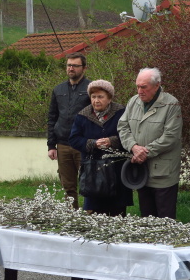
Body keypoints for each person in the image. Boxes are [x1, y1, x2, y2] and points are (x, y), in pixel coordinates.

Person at [118, 67, 182, 219]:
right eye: (138, 86)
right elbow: (122, 126)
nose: (139, 91)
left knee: (165, 220)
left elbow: (171, 136)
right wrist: (133, 147)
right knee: (146, 219)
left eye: (144, 87)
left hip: (163, 174)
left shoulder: (171, 104)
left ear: (157, 85)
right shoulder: (133, 101)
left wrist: (144, 152)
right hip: (141, 171)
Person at [69, 80, 133, 216]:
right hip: (93, 172)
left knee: (117, 214)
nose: (96, 100)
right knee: (95, 216)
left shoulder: (121, 113)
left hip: (117, 171)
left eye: (100, 97)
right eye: (93, 97)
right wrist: (92, 143)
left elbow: (131, 134)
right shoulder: (82, 116)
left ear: (109, 98)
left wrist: (112, 141)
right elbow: (74, 139)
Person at [47, 53, 91, 208]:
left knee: (88, 183)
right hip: (63, 144)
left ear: (84, 68)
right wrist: (51, 145)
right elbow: (52, 117)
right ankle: (71, 218)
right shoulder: (58, 89)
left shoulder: (91, 89)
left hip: (84, 144)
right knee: (68, 186)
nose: (71, 68)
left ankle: (91, 216)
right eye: (68, 65)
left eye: (75, 65)